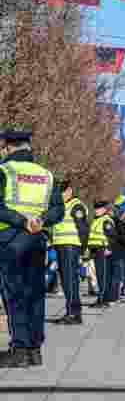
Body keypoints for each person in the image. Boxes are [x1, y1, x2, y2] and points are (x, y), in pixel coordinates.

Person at [0, 130, 64, 368]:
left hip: (10, 240)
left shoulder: (4, 171)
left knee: (14, 293)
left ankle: (20, 349)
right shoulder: (46, 175)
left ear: (7, 147)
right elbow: (58, 210)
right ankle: (35, 350)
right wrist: (40, 220)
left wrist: (21, 221)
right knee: (35, 294)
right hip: (37, 240)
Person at [50, 179, 89, 324]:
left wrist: (83, 250)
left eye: (62, 192)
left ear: (69, 191)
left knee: (70, 281)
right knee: (67, 281)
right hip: (61, 246)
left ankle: (73, 313)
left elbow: (83, 229)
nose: (60, 195)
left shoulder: (76, 205)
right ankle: (73, 312)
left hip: (70, 246)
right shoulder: (61, 206)